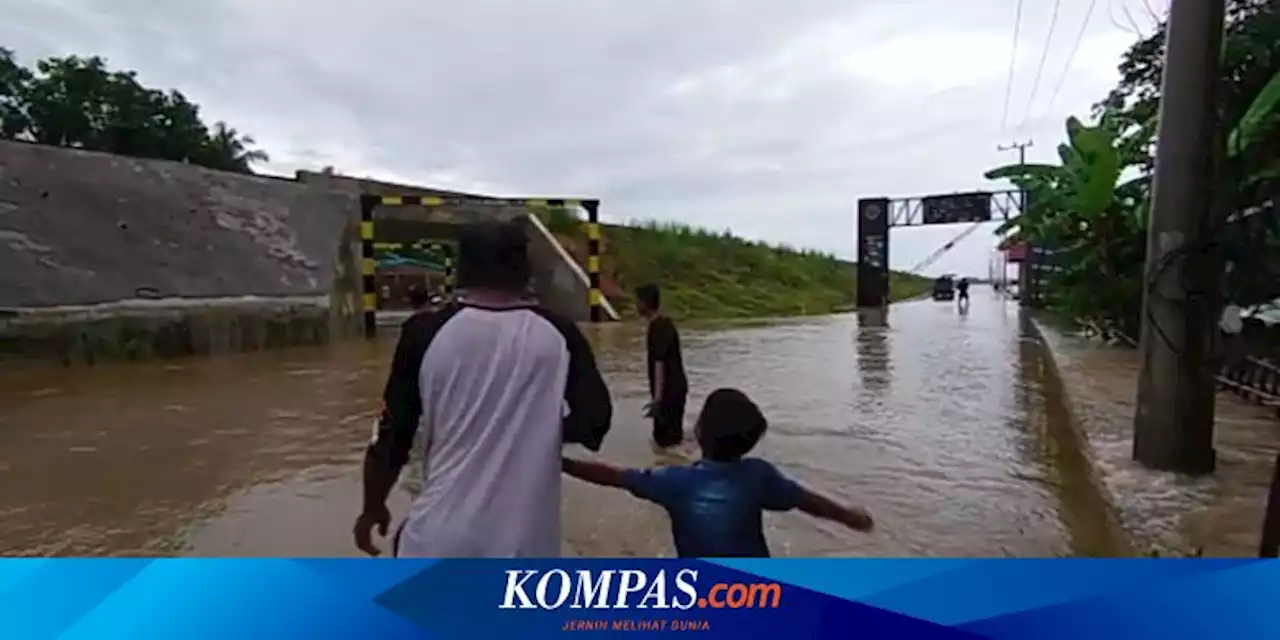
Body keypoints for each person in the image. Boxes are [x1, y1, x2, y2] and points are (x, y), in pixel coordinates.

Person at [353, 220, 613, 558]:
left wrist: (373, 507)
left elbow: (392, 436)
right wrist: (534, 429)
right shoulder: (559, 334)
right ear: (525, 270)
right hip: (528, 549)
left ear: (462, 270)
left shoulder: (424, 331)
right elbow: (596, 421)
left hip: (436, 541)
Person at [562, 388, 874, 557]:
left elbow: (614, 476)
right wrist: (849, 516)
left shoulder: (676, 483)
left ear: (698, 432)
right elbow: (809, 502)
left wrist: (565, 464)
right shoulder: (758, 476)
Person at [636, 284, 687, 450]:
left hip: (668, 390)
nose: (636, 305)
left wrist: (657, 399)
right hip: (675, 388)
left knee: (664, 441)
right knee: (671, 439)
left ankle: (671, 467)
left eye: (637, 301)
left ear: (644, 303)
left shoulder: (657, 327)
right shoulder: (665, 323)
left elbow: (659, 364)